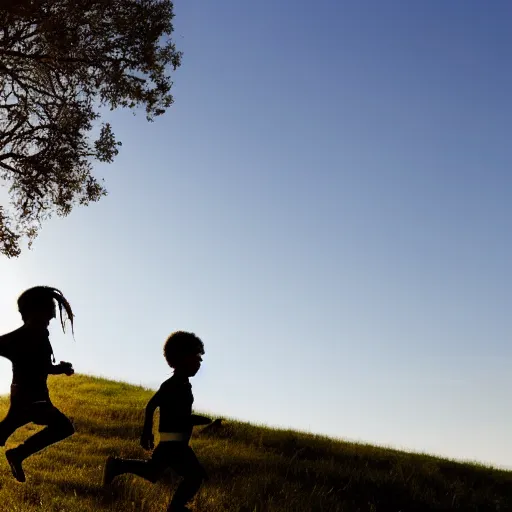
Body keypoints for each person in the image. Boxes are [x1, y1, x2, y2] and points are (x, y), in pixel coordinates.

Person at [103, 331, 212, 512]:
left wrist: (189, 420)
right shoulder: (173, 384)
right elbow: (153, 405)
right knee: (194, 476)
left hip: (174, 442)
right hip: (174, 443)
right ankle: (176, 508)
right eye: (197, 357)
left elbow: (158, 407)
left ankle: (117, 465)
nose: (199, 363)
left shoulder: (182, 384)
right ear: (183, 358)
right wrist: (147, 430)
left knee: (152, 471)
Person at [0, 286, 76, 482]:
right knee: (64, 427)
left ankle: (17, 455)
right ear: (35, 311)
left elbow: (39, 364)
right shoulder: (33, 333)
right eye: (48, 315)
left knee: (3, 431)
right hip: (33, 399)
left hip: (25, 397)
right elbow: (41, 366)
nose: (50, 320)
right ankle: (17, 454)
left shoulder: (28, 334)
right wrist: (60, 369)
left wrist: (58, 367)